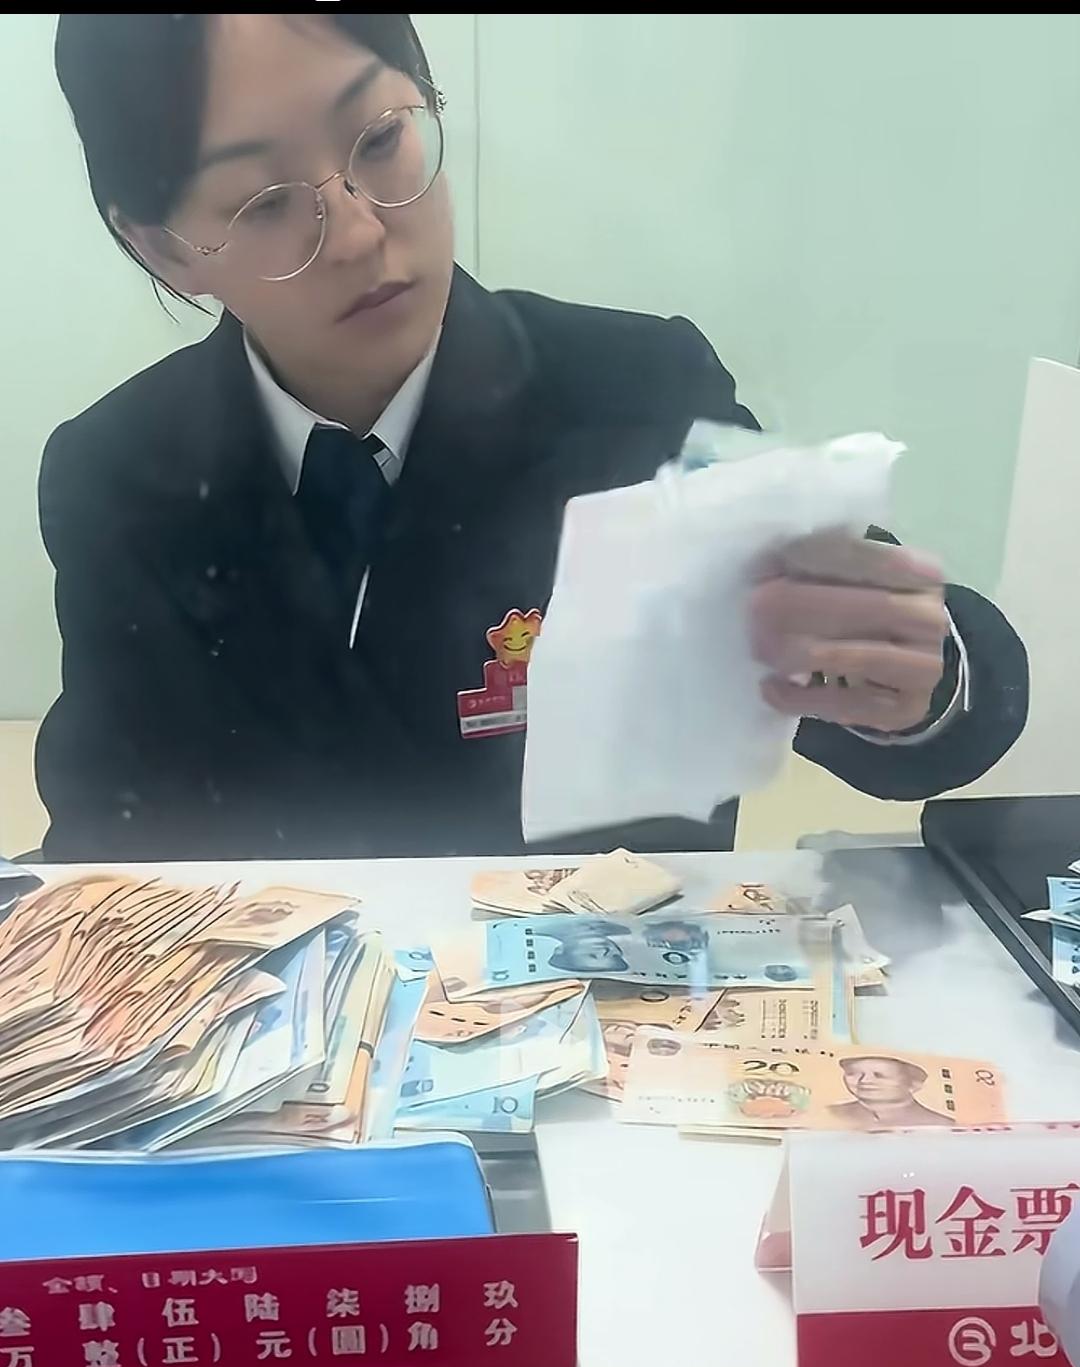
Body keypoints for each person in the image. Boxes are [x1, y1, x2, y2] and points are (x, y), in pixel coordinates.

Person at [37, 12, 1029, 864]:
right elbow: (107, 835)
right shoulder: (117, 476)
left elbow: (894, 674)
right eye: (265, 204)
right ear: (165, 248)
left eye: (381, 142)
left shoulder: (636, 394)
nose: (360, 234)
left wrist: (917, 674)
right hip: (276, 1016)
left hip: (616, 1003)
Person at [826, 1054, 956, 1129]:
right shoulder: (830, 1113)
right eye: (853, 1073)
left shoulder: (940, 1124)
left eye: (879, 1075)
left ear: (914, 1084)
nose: (865, 1080)